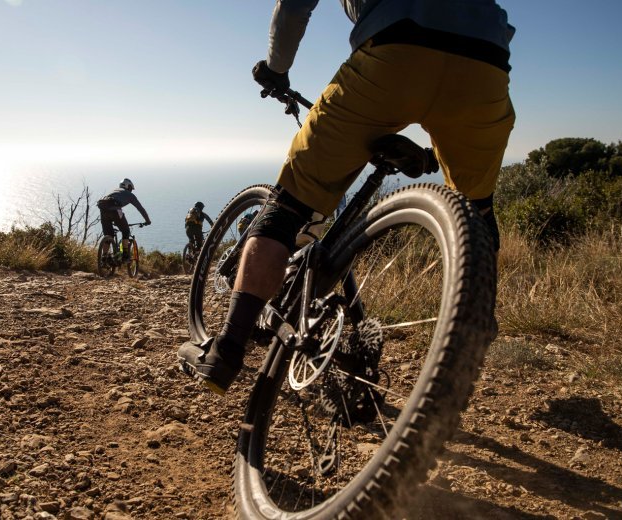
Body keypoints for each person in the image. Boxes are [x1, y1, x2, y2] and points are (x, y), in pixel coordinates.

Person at [179, 0, 515, 395]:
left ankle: (227, 350)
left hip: (395, 52)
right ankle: (477, 322)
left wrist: (276, 70)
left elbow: (293, 8)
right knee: (477, 213)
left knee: (290, 205)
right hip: (486, 66)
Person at [97, 178, 151, 262]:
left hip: (103, 210)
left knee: (108, 235)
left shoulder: (114, 191)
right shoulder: (130, 195)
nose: (131, 190)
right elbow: (141, 209)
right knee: (126, 231)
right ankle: (125, 255)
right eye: (131, 188)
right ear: (128, 187)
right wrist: (147, 221)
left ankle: (104, 257)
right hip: (115, 211)